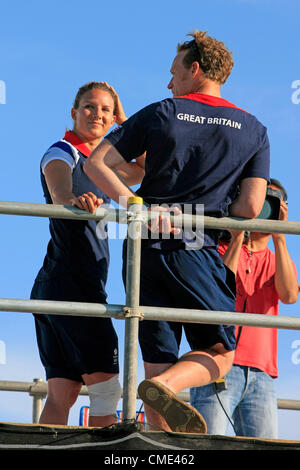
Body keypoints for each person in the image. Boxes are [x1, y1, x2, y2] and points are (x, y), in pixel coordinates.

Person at [83, 30, 270, 433]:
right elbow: (250, 208)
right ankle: (164, 386)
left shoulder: (161, 112)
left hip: (145, 244)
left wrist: (135, 206)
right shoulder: (253, 129)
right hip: (196, 244)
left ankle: (158, 437)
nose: (169, 83)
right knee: (220, 354)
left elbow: (95, 163)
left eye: (174, 73)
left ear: (195, 69)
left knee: (157, 358)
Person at [31, 81, 145, 427]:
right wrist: (75, 201)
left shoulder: (103, 164)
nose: (98, 114)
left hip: (60, 287)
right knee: (107, 388)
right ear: (74, 113)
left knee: (63, 393)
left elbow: (146, 170)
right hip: (70, 284)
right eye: (90, 107)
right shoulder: (62, 151)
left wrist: (124, 122)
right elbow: (60, 193)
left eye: (106, 110)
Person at [190, 179, 299, 438]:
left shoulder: (278, 261)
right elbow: (218, 287)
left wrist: (280, 237)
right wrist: (238, 235)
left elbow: (289, 295)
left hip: (262, 373)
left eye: (268, 204)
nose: (260, 209)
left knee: (262, 447)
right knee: (208, 443)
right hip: (216, 364)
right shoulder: (216, 250)